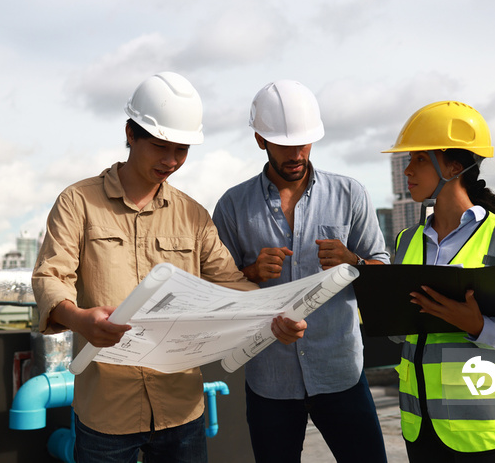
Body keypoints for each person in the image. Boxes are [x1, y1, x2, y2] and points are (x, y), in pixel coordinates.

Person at [32, 71, 305, 463]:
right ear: (130, 133)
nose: (171, 161)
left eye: (182, 151)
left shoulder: (193, 216)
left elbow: (229, 283)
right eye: (161, 147)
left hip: (182, 408)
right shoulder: (78, 203)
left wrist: (276, 315)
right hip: (107, 409)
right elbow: (49, 277)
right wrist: (79, 319)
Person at [212, 79, 389, 463]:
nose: (296, 153)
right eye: (284, 144)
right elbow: (216, 292)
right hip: (269, 380)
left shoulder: (350, 194)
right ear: (260, 139)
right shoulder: (231, 206)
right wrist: (251, 272)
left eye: (304, 143)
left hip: (342, 371)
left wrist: (353, 262)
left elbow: (383, 273)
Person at [382, 100, 495, 462]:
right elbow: (402, 332)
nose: (408, 170)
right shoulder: (406, 242)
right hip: (422, 429)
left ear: (455, 166)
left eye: (420, 159)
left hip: (491, 432)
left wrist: (477, 325)